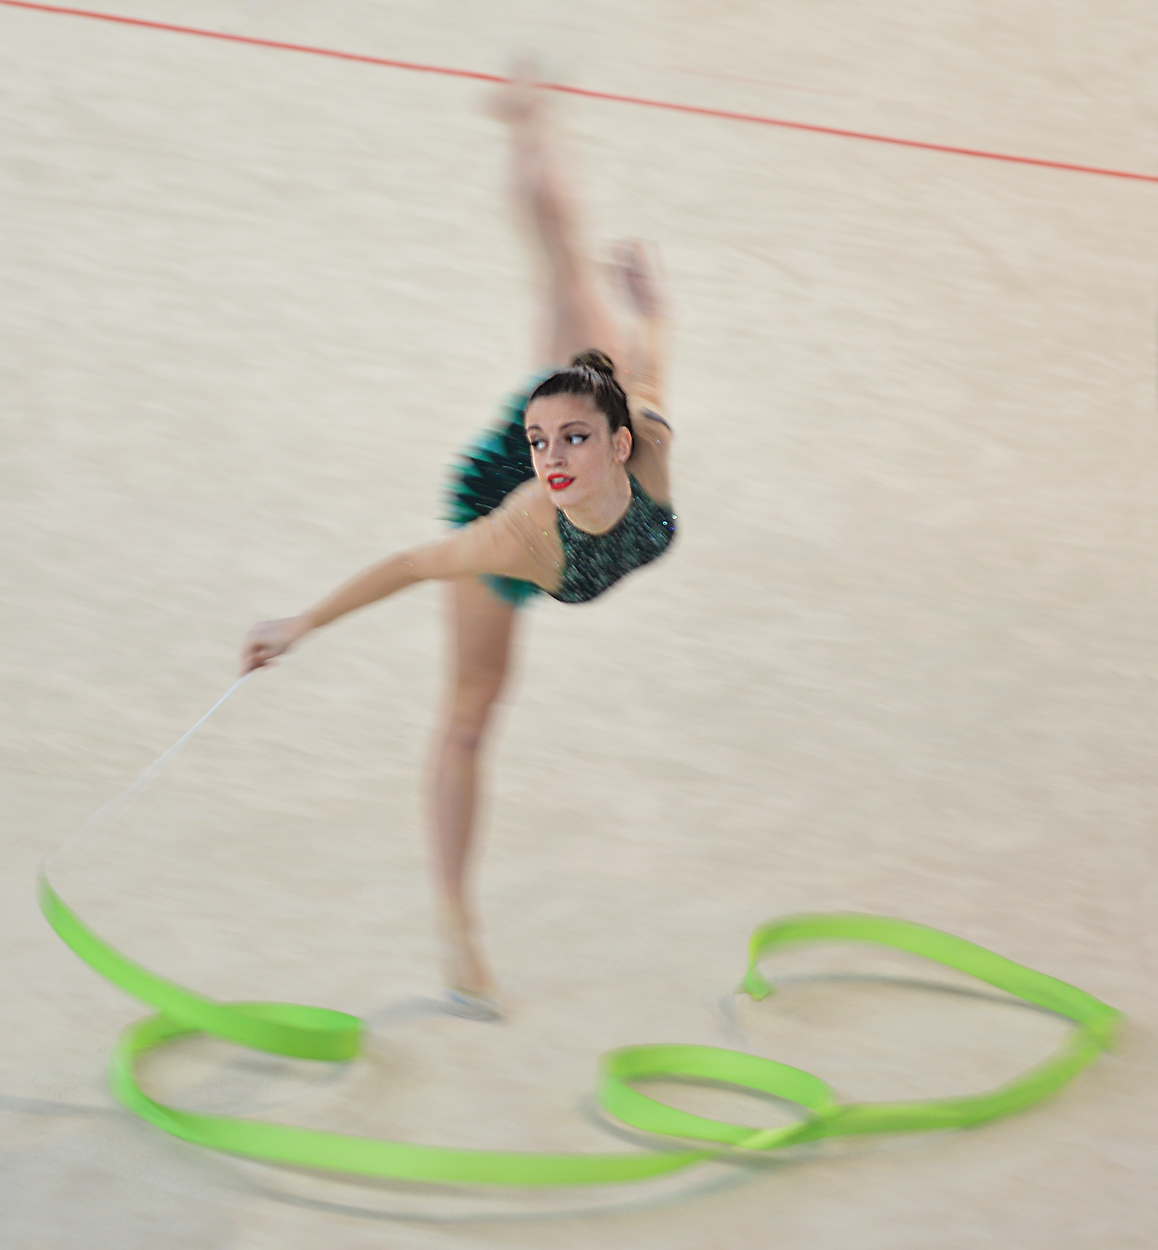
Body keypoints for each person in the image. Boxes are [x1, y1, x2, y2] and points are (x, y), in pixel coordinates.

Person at [241, 75, 675, 1018]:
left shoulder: (646, 450)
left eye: (576, 440)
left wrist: (653, 308)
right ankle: (456, 930)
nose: (557, 458)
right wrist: (301, 623)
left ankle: (529, 121)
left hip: (584, 450)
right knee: (471, 716)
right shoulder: (517, 530)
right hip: (496, 500)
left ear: (617, 445)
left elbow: (650, 369)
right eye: (546, 440)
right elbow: (410, 566)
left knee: (573, 280)